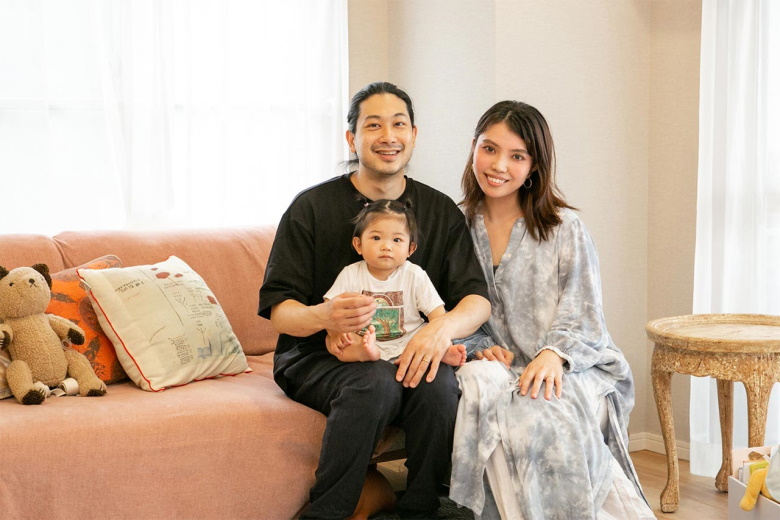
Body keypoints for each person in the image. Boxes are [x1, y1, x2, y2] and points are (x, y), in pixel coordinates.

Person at [258, 81, 490, 520]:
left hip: (404, 350)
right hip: (315, 357)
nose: (388, 136)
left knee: (439, 387)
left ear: (414, 135)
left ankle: (421, 508)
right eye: (373, 125)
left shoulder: (440, 211)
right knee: (374, 381)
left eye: (399, 124)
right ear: (352, 138)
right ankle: (327, 513)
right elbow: (280, 312)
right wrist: (325, 316)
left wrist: (439, 330)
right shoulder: (310, 208)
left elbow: (477, 299)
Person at [448, 100, 655, 520]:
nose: (498, 165)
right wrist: (480, 346)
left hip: (575, 365)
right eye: (489, 149)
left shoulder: (564, 228)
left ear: (534, 167)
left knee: (534, 410)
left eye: (517, 156)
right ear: (473, 148)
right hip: (502, 367)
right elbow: (449, 308)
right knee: (481, 389)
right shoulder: (456, 227)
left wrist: (553, 354)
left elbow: (585, 313)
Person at [324, 198, 467, 367]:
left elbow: (436, 313)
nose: (386, 246)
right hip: (363, 339)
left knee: (428, 332)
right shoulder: (351, 273)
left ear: (411, 249)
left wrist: (440, 339)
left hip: (410, 338)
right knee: (334, 343)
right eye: (376, 238)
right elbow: (329, 307)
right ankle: (364, 353)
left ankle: (443, 353)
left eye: (397, 240)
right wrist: (335, 332)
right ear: (358, 245)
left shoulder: (414, 275)